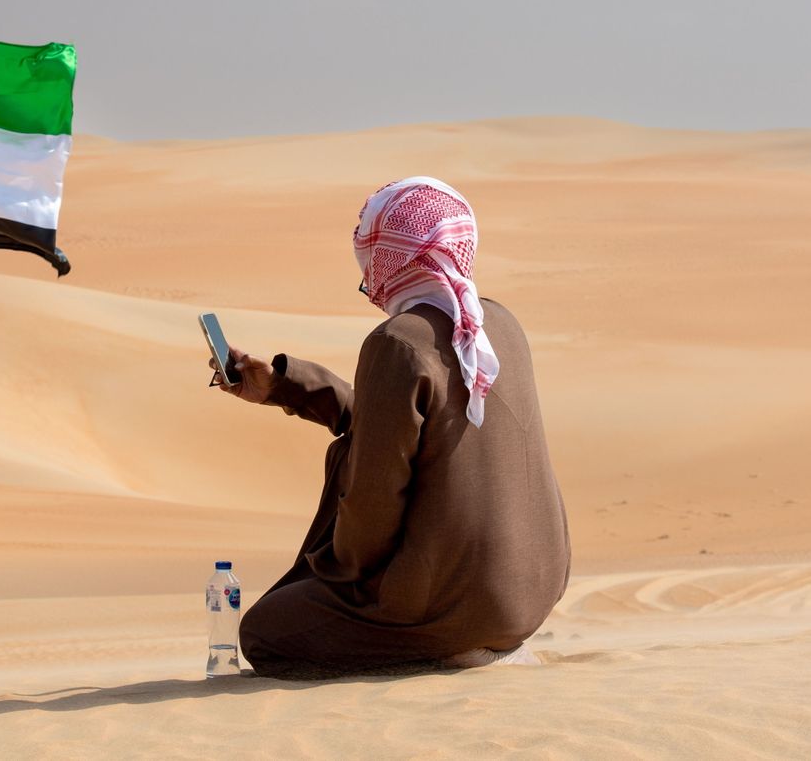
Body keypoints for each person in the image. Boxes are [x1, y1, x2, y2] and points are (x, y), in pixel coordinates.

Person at [212, 177, 570, 677]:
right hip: (532, 593)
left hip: (454, 603)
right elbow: (405, 432)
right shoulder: (500, 324)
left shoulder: (397, 341)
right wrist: (283, 387)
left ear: (387, 258)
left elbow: (373, 503)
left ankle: (443, 649)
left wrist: (335, 579)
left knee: (266, 633)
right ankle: (470, 643)